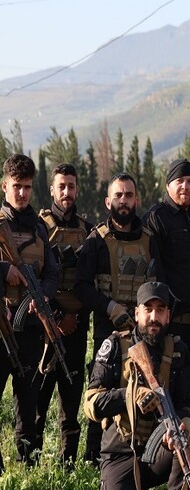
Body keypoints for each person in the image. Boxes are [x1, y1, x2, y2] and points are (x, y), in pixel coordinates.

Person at [83, 281, 190, 490]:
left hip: (160, 454)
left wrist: (176, 428)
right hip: (121, 453)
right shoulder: (116, 345)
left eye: (160, 310)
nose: (154, 317)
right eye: (148, 309)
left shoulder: (179, 351)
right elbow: (91, 403)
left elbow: (185, 404)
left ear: (168, 316)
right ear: (137, 313)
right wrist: (130, 395)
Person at [75, 172, 160, 463]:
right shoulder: (96, 241)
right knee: (102, 393)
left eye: (129, 195)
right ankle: (93, 456)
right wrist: (110, 307)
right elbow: (82, 287)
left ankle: (143, 455)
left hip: (144, 333)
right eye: (119, 195)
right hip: (107, 334)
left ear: (137, 200)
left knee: (145, 391)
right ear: (107, 201)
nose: (124, 201)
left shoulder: (150, 240)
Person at [0, 154, 60, 467]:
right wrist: (3, 271)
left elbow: (52, 272)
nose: (22, 193)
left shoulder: (39, 228)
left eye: (26, 187)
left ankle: (28, 462)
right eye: (16, 186)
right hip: (1, 325)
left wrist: (44, 295)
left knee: (28, 398)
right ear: (4, 186)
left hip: (29, 328)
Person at [35, 163, 94, 466]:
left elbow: (91, 280)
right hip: (44, 326)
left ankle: (67, 463)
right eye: (62, 186)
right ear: (52, 190)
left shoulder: (87, 229)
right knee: (37, 398)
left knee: (70, 402)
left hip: (76, 328)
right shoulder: (39, 227)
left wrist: (75, 319)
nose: (67, 192)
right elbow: (34, 277)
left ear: (77, 189)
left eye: (71, 186)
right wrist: (57, 318)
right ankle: (29, 460)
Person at [144, 158, 190, 374]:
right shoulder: (157, 218)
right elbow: (154, 273)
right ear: (168, 185)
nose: (185, 186)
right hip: (172, 326)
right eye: (179, 181)